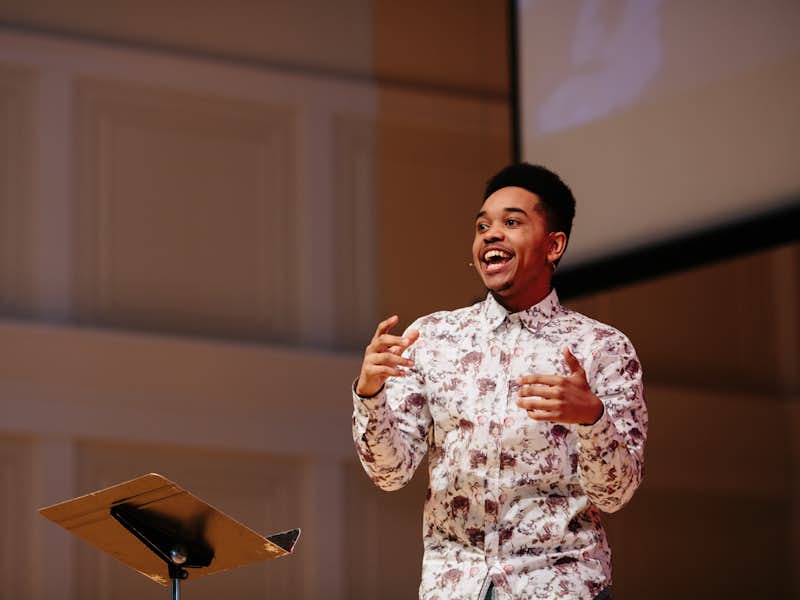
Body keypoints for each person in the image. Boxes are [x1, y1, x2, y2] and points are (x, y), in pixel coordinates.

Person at [352, 163, 647, 600]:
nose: (491, 234)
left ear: (553, 245)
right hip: (454, 586)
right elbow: (390, 473)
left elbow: (616, 492)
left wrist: (592, 417)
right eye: (482, 225)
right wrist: (370, 393)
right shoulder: (433, 337)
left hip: (559, 587)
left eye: (511, 222)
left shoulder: (602, 347)